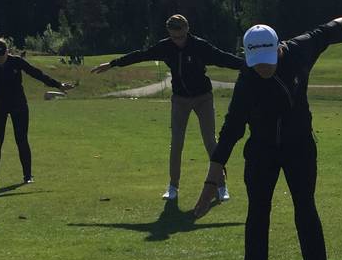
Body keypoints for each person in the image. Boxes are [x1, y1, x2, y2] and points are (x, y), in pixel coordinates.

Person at [192, 3, 342, 260]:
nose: (263, 68)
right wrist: (210, 183)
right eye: (256, 63)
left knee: (305, 210)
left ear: (278, 48)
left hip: (299, 146)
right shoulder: (247, 78)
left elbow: (328, 30)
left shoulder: (299, 50)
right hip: (261, 150)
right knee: (257, 215)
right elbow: (231, 130)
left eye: (266, 61)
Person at [90, 14, 244, 201]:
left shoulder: (200, 46)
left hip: (203, 98)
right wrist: (113, 64)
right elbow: (141, 55)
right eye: (174, 37)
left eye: (181, 36)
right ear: (169, 33)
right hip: (180, 100)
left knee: (210, 141)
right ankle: (173, 186)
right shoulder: (165, 47)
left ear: (187, 29)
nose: (178, 41)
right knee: (177, 143)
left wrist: (249, 66)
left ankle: (220, 186)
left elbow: (224, 58)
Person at [0, 37, 75, 186]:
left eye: (0, 56)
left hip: (18, 104)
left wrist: (58, 85)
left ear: (7, 52)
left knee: (21, 139)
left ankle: (27, 175)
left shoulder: (16, 62)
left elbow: (37, 74)